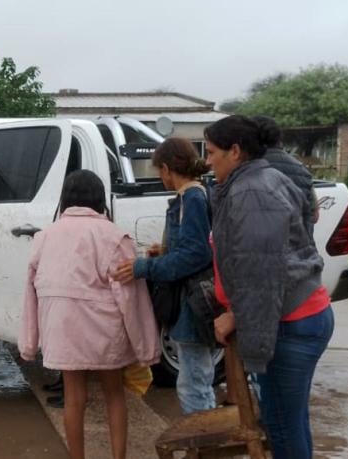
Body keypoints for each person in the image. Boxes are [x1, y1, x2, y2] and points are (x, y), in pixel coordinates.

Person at [206, 114, 333, 459]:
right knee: (291, 422)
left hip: (290, 322)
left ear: (234, 151)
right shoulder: (263, 178)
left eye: (211, 151)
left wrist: (237, 317)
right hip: (299, 314)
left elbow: (261, 272)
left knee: (279, 425)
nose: (207, 159)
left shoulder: (251, 191)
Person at [18, 169, 160, 459]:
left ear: (65, 199)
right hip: (104, 330)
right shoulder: (114, 236)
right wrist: (146, 348)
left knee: (74, 397)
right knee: (114, 393)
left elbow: (30, 293)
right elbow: (131, 297)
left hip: (62, 328)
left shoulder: (45, 236)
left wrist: (30, 344)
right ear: (99, 199)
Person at [112, 137, 216, 415]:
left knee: (194, 383)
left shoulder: (192, 198)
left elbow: (196, 255)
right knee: (196, 380)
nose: (160, 178)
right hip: (190, 301)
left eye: (160, 171)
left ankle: (201, 443)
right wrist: (166, 251)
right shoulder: (193, 196)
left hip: (192, 303)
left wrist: (141, 268)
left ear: (168, 169)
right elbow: (192, 247)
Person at [255, 115, 320, 233]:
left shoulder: (249, 171)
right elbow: (314, 216)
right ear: (278, 138)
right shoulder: (301, 169)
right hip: (302, 248)